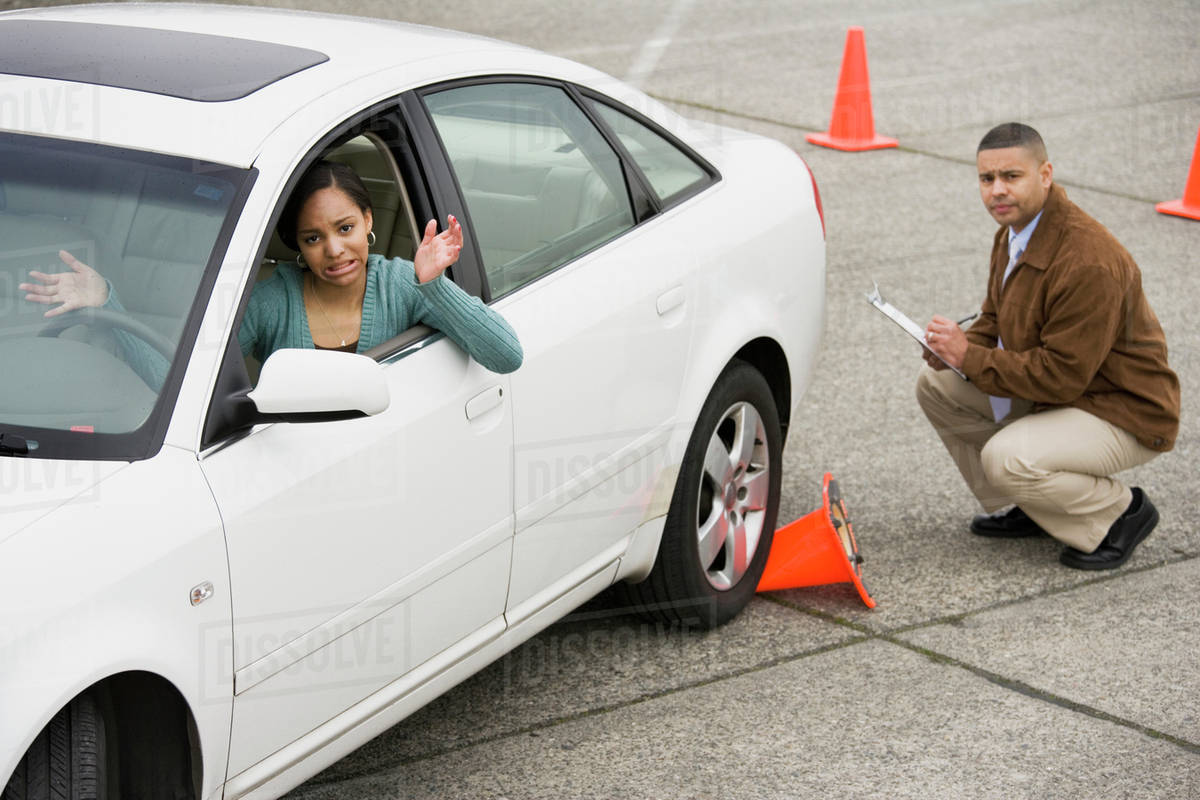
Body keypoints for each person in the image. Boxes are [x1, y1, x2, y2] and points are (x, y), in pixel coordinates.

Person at [916, 122, 1179, 570]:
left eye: (1011, 177)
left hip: (1123, 408)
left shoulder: (1088, 260)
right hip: (1068, 393)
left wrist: (971, 356)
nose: (997, 190)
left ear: (1045, 175)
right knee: (936, 383)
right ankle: (1040, 507)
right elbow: (995, 320)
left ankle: (1118, 515)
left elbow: (1062, 375)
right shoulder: (1015, 232)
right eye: (986, 179)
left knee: (1007, 456)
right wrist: (953, 350)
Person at [21, 160, 523, 388]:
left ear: (368, 221)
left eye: (345, 227)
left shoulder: (402, 284)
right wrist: (108, 302)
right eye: (312, 237)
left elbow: (506, 355)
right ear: (297, 246)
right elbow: (178, 383)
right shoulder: (270, 301)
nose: (334, 250)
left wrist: (434, 284)